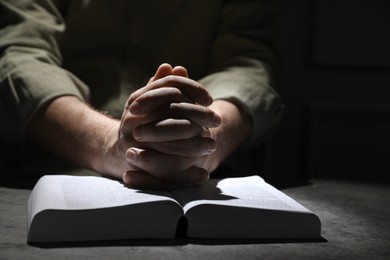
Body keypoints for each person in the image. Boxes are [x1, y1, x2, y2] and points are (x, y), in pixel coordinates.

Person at [0, 0, 284, 190]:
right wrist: (109, 144)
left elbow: (249, 66)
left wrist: (203, 145)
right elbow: (19, 58)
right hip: (45, 171)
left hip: (202, 183)